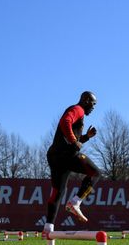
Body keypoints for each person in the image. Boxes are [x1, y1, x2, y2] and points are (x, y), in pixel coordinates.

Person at [43, 92, 101, 237]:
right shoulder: (78, 109)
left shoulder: (77, 111)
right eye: (93, 104)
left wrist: (86, 137)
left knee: (57, 192)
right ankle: (75, 202)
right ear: (86, 100)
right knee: (96, 173)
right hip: (66, 155)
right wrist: (74, 141)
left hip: (55, 156)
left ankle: (48, 228)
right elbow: (65, 122)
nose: (93, 108)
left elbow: (73, 139)